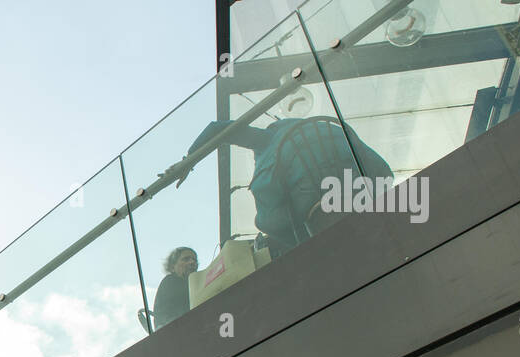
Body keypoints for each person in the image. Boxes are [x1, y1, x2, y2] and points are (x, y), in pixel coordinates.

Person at [188, 116, 393, 255]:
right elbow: (382, 169)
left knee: (268, 222)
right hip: (361, 191)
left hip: (315, 202)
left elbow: (218, 129)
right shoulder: (329, 128)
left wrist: (188, 159)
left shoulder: (268, 140)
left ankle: (307, 252)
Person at [153, 247, 198, 328]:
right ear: (172, 266)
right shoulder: (170, 281)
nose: (192, 262)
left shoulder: (196, 284)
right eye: (186, 259)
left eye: (194, 260)